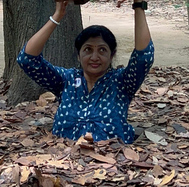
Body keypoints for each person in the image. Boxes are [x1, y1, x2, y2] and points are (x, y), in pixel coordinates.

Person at [17, 0, 154, 144]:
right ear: (78, 54)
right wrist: (57, 16)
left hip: (111, 162)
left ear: (111, 55)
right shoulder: (66, 80)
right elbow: (27, 60)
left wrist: (139, 5)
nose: (94, 57)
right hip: (63, 161)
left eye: (102, 50)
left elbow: (144, 58)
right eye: (88, 49)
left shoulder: (122, 83)